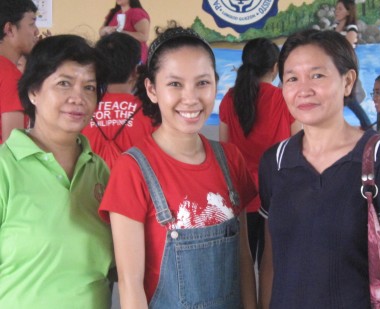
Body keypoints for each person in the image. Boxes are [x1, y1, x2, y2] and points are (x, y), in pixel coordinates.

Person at [99, 24, 258, 308]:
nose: (191, 98)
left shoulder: (231, 159)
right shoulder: (132, 169)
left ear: (216, 84)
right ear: (151, 89)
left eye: (202, 83)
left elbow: (244, 259)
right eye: (175, 84)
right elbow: (131, 285)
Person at [258, 29, 380, 308]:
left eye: (317, 75)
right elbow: (271, 260)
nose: (304, 89)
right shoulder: (275, 162)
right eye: (292, 78)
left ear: (347, 81)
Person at [0, 35, 115, 308]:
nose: (78, 98)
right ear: (33, 92)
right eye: (64, 83)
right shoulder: (5, 167)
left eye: (89, 87)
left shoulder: (100, 171)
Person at [219, 38, 296, 267]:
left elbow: (225, 149)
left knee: (242, 266)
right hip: (277, 197)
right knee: (271, 266)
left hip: (241, 197)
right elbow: (297, 148)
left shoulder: (229, 99)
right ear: (275, 68)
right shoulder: (284, 100)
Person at [82, 32, 155, 169]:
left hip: (92, 188)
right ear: (135, 71)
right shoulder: (151, 112)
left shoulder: (81, 109)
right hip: (134, 187)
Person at [0, 0, 39, 143]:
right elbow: (11, 146)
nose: (37, 31)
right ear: (9, 29)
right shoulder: (10, 76)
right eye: (31, 23)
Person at [333, 0, 371, 130]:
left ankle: (367, 126)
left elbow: (346, 48)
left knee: (350, 99)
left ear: (348, 11)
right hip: (335, 68)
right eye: (336, 8)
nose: (336, 11)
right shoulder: (335, 27)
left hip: (346, 67)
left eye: (340, 9)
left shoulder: (351, 28)